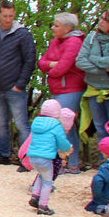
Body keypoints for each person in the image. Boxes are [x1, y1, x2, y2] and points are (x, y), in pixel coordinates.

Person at [0, 1, 36, 166]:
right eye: (5, 16)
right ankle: (3, 154)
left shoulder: (23, 34)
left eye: (11, 16)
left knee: (21, 124)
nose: (8, 19)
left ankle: (27, 159)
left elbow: (30, 60)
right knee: (0, 123)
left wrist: (20, 84)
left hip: (14, 87)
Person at [75, 6, 109, 151]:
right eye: (101, 17)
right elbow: (80, 61)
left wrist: (92, 59)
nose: (101, 21)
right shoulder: (91, 37)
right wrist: (103, 68)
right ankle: (105, 160)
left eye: (106, 20)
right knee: (100, 129)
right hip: (94, 89)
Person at [37, 12, 86, 172]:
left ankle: (72, 163)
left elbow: (62, 67)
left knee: (65, 125)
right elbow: (41, 62)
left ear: (68, 28)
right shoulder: (55, 41)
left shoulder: (74, 42)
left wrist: (50, 69)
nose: (53, 28)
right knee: (62, 126)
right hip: (57, 89)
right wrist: (52, 65)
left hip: (71, 89)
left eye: (56, 25)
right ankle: (64, 162)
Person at [24, 99, 71, 215]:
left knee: (41, 175)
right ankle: (43, 206)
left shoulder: (36, 123)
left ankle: (35, 196)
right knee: (47, 182)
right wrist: (67, 147)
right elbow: (62, 143)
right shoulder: (56, 125)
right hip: (45, 158)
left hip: (33, 157)